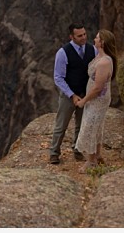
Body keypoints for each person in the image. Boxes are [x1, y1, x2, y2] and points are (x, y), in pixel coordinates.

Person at [48, 23, 95, 164]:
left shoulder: (92, 50)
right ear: (71, 36)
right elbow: (58, 77)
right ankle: (54, 152)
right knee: (61, 125)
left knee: (82, 124)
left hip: (85, 93)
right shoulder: (63, 53)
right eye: (79, 36)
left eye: (84, 34)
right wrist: (71, 95)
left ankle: (78, 149)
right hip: (69, 95)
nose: (83, 38)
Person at [73, 29, 119, 172]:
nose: (94, 39)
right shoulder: (100, 56)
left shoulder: (104, 62)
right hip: (96, 99)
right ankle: (97, 155)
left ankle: (91, 161)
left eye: (97, 38)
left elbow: (98, 87)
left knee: (90, 126)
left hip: (97, 100)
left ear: (103, 42)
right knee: (97, 126)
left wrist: (84, 101)